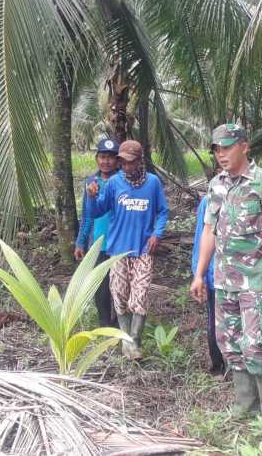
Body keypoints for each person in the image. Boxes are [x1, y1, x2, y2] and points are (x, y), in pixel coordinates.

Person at [189, 123, 262, 429]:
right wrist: (199, 275)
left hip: (256, 282)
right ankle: (244, 403)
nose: (221, 154)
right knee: (230, 343)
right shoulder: (216, 185)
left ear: (244, 147)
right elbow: (209, 230)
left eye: (227, 147)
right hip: (224, 281)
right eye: (217, 149)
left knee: (257, 344)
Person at [86, 140, 168, 360]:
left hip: (142, 250)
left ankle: (135, 341)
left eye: (130, 162)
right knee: (120, 295)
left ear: (140, 161)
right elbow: (97, 211)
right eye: (122, 162)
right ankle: (126, 341)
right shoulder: (114, 183)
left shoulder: (152, 183)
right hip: (118, 250)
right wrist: (92, 197)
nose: (126, 167)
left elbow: (162, 211)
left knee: (140, 296)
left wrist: (156, 234)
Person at [75, 138, 120, 327]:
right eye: (102, 157)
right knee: (100, 286)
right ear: (96, 158)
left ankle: (119, 324)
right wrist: (80, 242)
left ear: (118, 160)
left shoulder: (122, 181)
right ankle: (104, 324)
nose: (106, 161)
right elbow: (87, 215)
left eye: (110, 157)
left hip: (119, 243)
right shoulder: (90, 182)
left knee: (119, 286)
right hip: (98, 243)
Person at [191, 181, 226, 375]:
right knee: (215, 322)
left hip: (241, 277)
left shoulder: (252, 196)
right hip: (215, 274)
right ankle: (218, 365)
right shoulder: (208, 201)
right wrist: (199, 274)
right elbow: (201, 237)